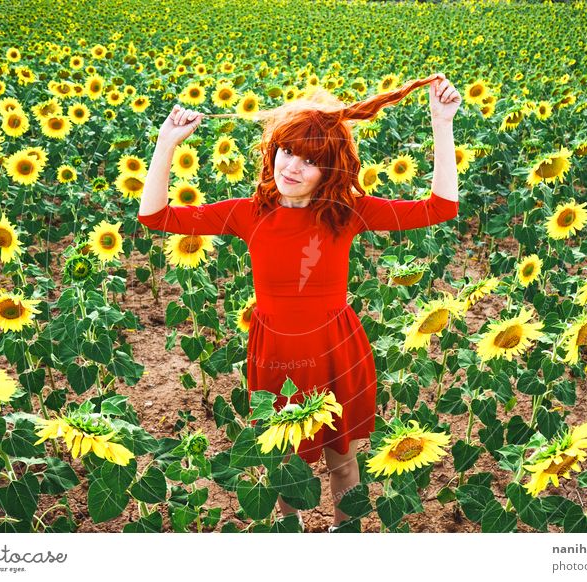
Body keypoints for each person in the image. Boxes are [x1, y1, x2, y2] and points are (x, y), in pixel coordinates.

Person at [138, 73, 461, 532]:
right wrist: (166, 143)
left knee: (343, 464)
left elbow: (440, 208)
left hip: (334, 350)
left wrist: (441, 122)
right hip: (275, 353)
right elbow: (155, 216)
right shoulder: (248, 213)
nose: (291, 166)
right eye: (287, 151)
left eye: (310, 161)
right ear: (274, 151)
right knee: (283, 466)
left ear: (330, 170)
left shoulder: (346, 212)